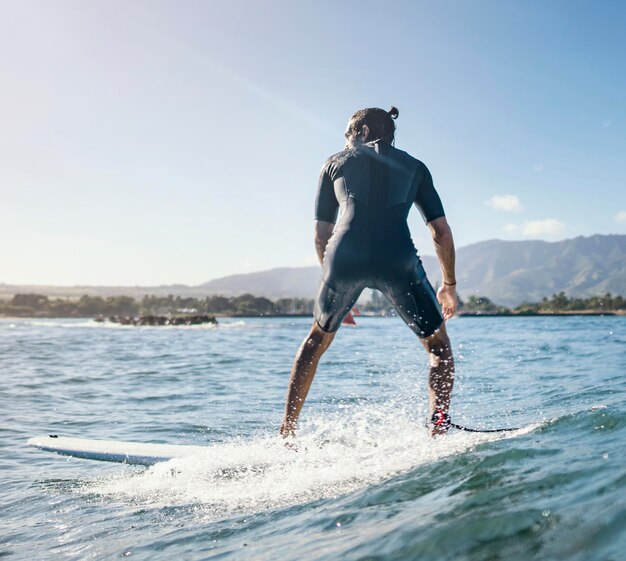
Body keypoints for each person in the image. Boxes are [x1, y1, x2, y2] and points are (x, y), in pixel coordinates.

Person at [280, 106, 458, 438]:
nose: (346, 142)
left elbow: (321, 234)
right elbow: (441, 232)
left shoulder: (334, 163)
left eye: (348, 135)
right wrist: (448, 283)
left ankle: (287, 433)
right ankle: (438, 430)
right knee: (439, 348)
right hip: (398, 259)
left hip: (344, 257)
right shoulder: (415, 167)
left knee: (316, 340)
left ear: (361, 133)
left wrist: (335, 288)